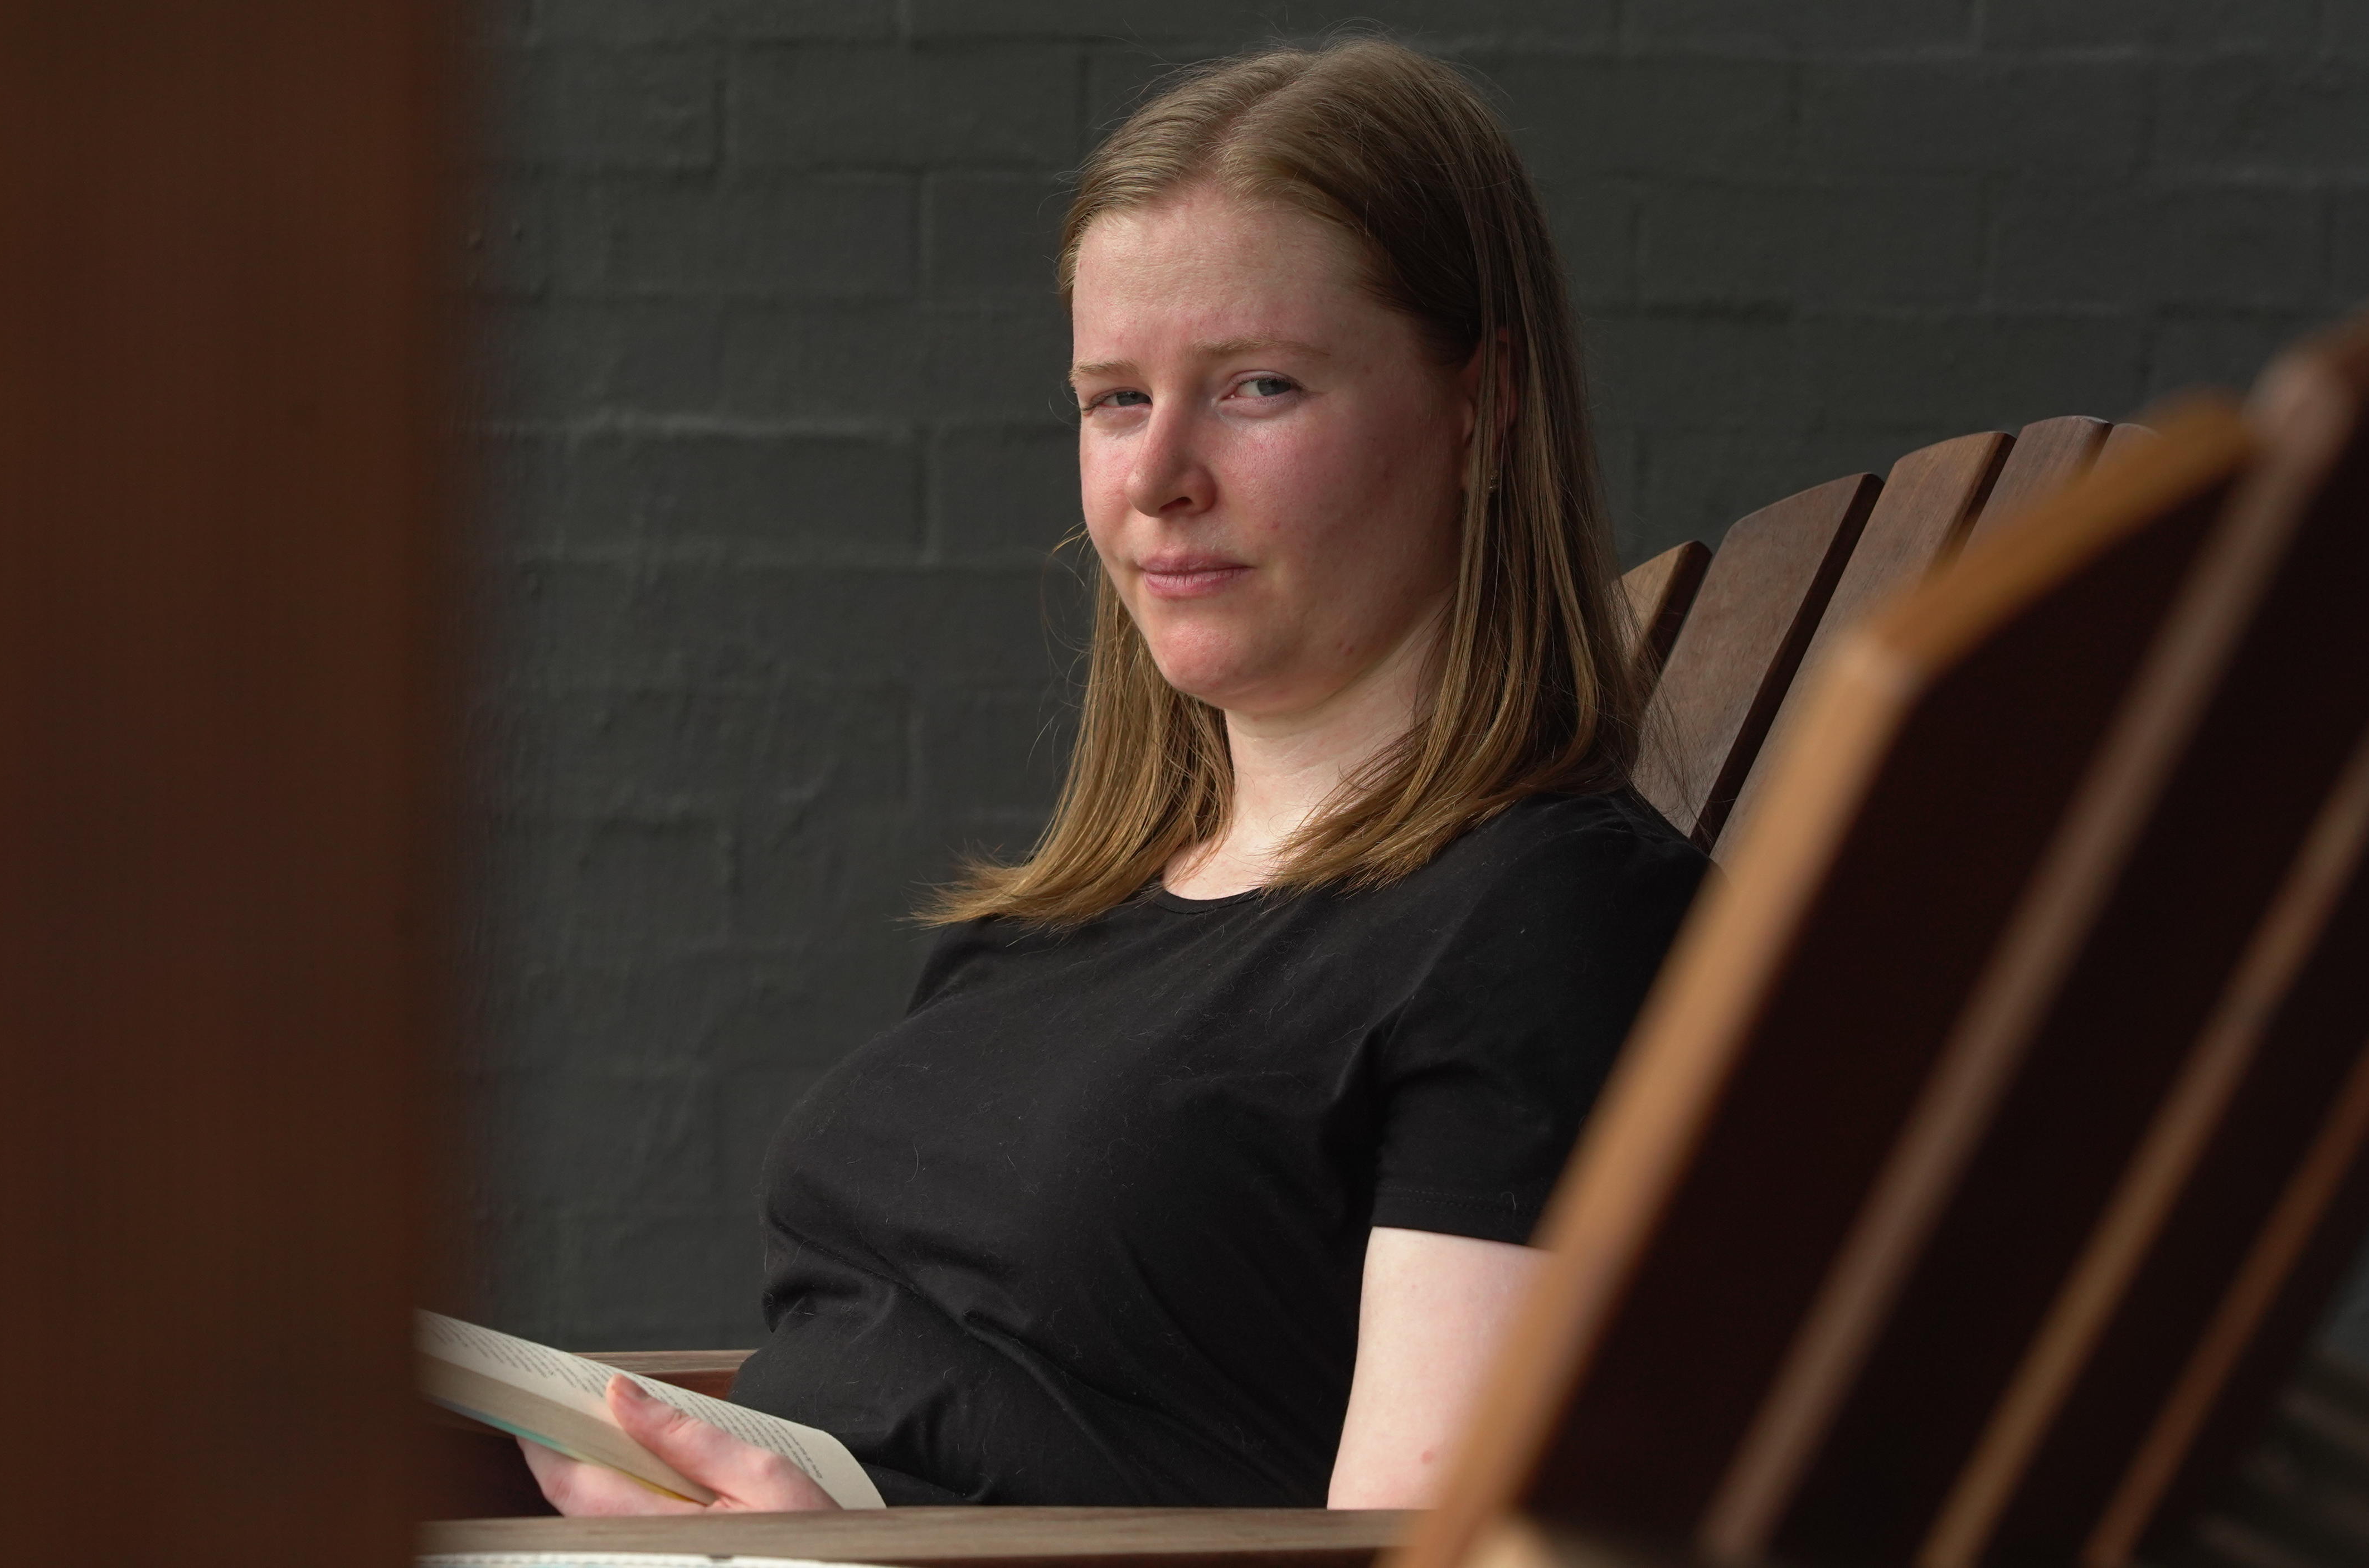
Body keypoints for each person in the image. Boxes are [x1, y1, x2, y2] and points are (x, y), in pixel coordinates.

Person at [523, 36, 1710, 1514]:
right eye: (1113, 400)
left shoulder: (1541, 923)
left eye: (1258, 386)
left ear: (1484, 407)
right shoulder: (1045, 935)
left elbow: (1419, 1556)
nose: (1157, 479)